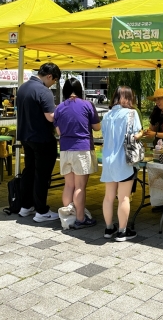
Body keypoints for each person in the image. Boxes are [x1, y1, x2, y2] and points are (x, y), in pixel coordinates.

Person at [16, 62, 61, 223]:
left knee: (29, 171)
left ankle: (25, 206)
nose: (53, 84)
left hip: (25, 137)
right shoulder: (44, 91)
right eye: (54, 81)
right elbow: (50, 116)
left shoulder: (22, 88)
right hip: (42, 139)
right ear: (49, 76)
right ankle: (41, 211)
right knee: (42, 175)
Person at [54, 78, 101, 229]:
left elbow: (59, 131)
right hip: (82, 149)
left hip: (65, 149)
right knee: (80, 186)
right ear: (80, 90)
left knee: (69, 185)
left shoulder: (59, 108)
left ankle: (68, 217)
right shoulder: (87, 105)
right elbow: (97, 127)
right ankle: (80, 219)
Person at [100, 86, 142, 241]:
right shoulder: (131, 113)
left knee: (109, 197)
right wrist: (142, 133)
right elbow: (135, 135)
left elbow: (104, 136)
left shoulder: (107, 115)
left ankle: (109, 228)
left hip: (108, 160)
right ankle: (122, 231)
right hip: (123, 160)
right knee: (123, 197)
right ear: (129, 98)